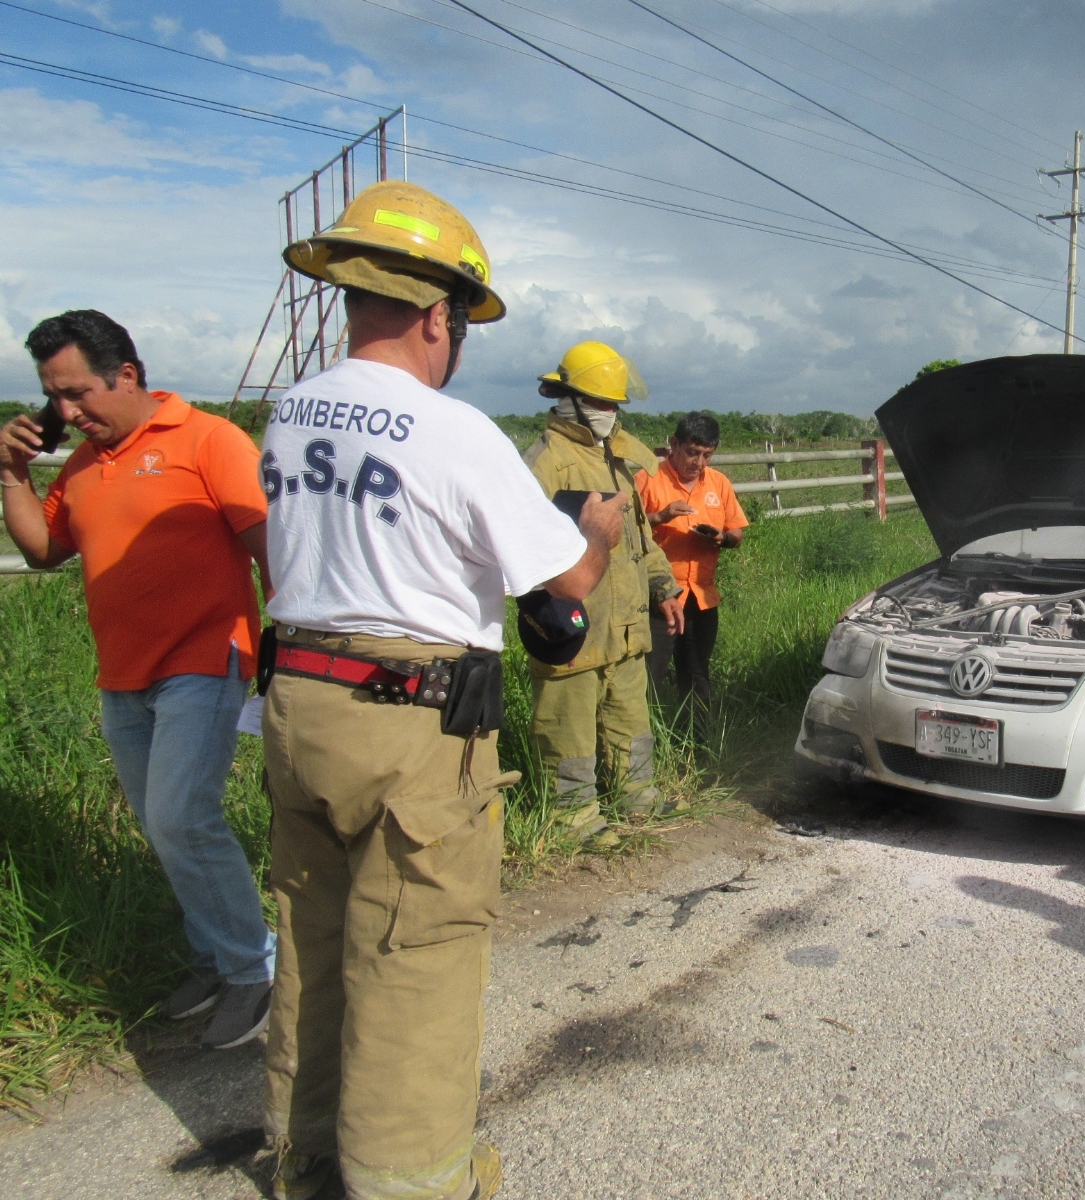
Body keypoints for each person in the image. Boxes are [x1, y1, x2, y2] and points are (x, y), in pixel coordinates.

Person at [258, 181, 625, 1200]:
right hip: (412, 726)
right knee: (415, 948)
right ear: (437, 318)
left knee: (314, 934)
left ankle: (302, 1154)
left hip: (299, 706)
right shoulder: (454, 432)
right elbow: (564, 585)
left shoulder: (287, 416)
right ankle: (411, 1179)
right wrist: (591, 532)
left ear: (350, 300)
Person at [0, 310, 277, 1051]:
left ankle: (255, 969)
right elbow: (42, 551)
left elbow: (269, 551)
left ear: (127, 374)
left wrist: (291, 655)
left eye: (78, 392)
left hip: (204, 659)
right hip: (122, 672)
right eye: (53, 398)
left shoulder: (209, 440)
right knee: (163, 827)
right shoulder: (87, 464)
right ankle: (214, 959)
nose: (66, 411)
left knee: (181, 817)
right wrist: (10, 473)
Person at [522, 341, 684, 845]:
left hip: (626, 622)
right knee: (566, 727)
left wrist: (664, 587)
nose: (610, 415)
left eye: (615, 405)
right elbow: (523, 548)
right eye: (602, 403)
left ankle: (638, 800)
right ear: (568, 399)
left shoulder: (615, 460)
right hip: (575, 624)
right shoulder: (546, 463)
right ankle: (573, 822)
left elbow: (641, 537)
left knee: (629, 716)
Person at [637, 411, 747, 727]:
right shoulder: (647, 480)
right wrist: (660, 517)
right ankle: (645, 746)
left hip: (701, 598)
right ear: (674, 444)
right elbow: (627, 531)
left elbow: (736, 532)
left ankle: (696, 745)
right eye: (692, 452)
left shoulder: (719, 483)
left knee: (697, 674)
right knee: (648, 677)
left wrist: (721, 538)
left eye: (707, 455)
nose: (698, 462)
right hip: (659, 599)